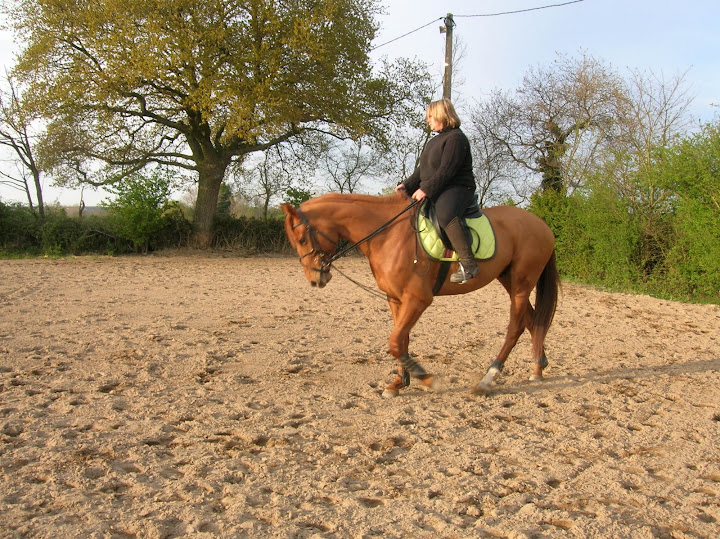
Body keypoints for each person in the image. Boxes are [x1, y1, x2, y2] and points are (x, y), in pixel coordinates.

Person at [395, 98, 479, 284]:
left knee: (445, 214)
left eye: (430, 116)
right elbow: (422, 170)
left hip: (457, 187)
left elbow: (447, 170)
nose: (428, 120)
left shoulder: (456, 139)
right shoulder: (434, 141)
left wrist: (425, 189)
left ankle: (468, 264)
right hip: (439, 186)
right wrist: (407, 185)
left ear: (441, 115)